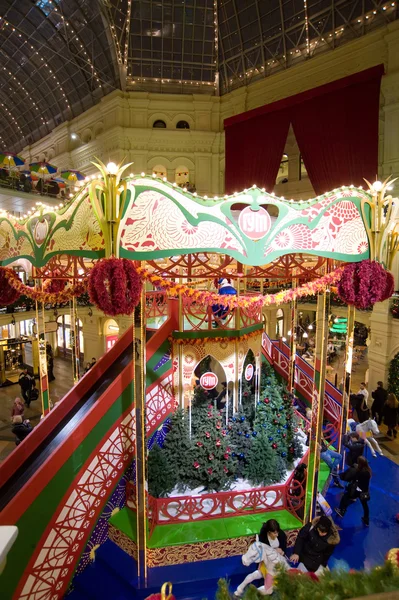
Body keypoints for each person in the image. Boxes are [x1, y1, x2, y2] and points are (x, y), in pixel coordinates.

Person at [335, 456, 371, 526]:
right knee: (365, 506)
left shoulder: (360, 472)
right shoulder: (368, 471)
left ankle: (342, 511)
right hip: (364, 491)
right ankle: (366, 520)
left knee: (345, 497)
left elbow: (353, 478)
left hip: (357, 491)